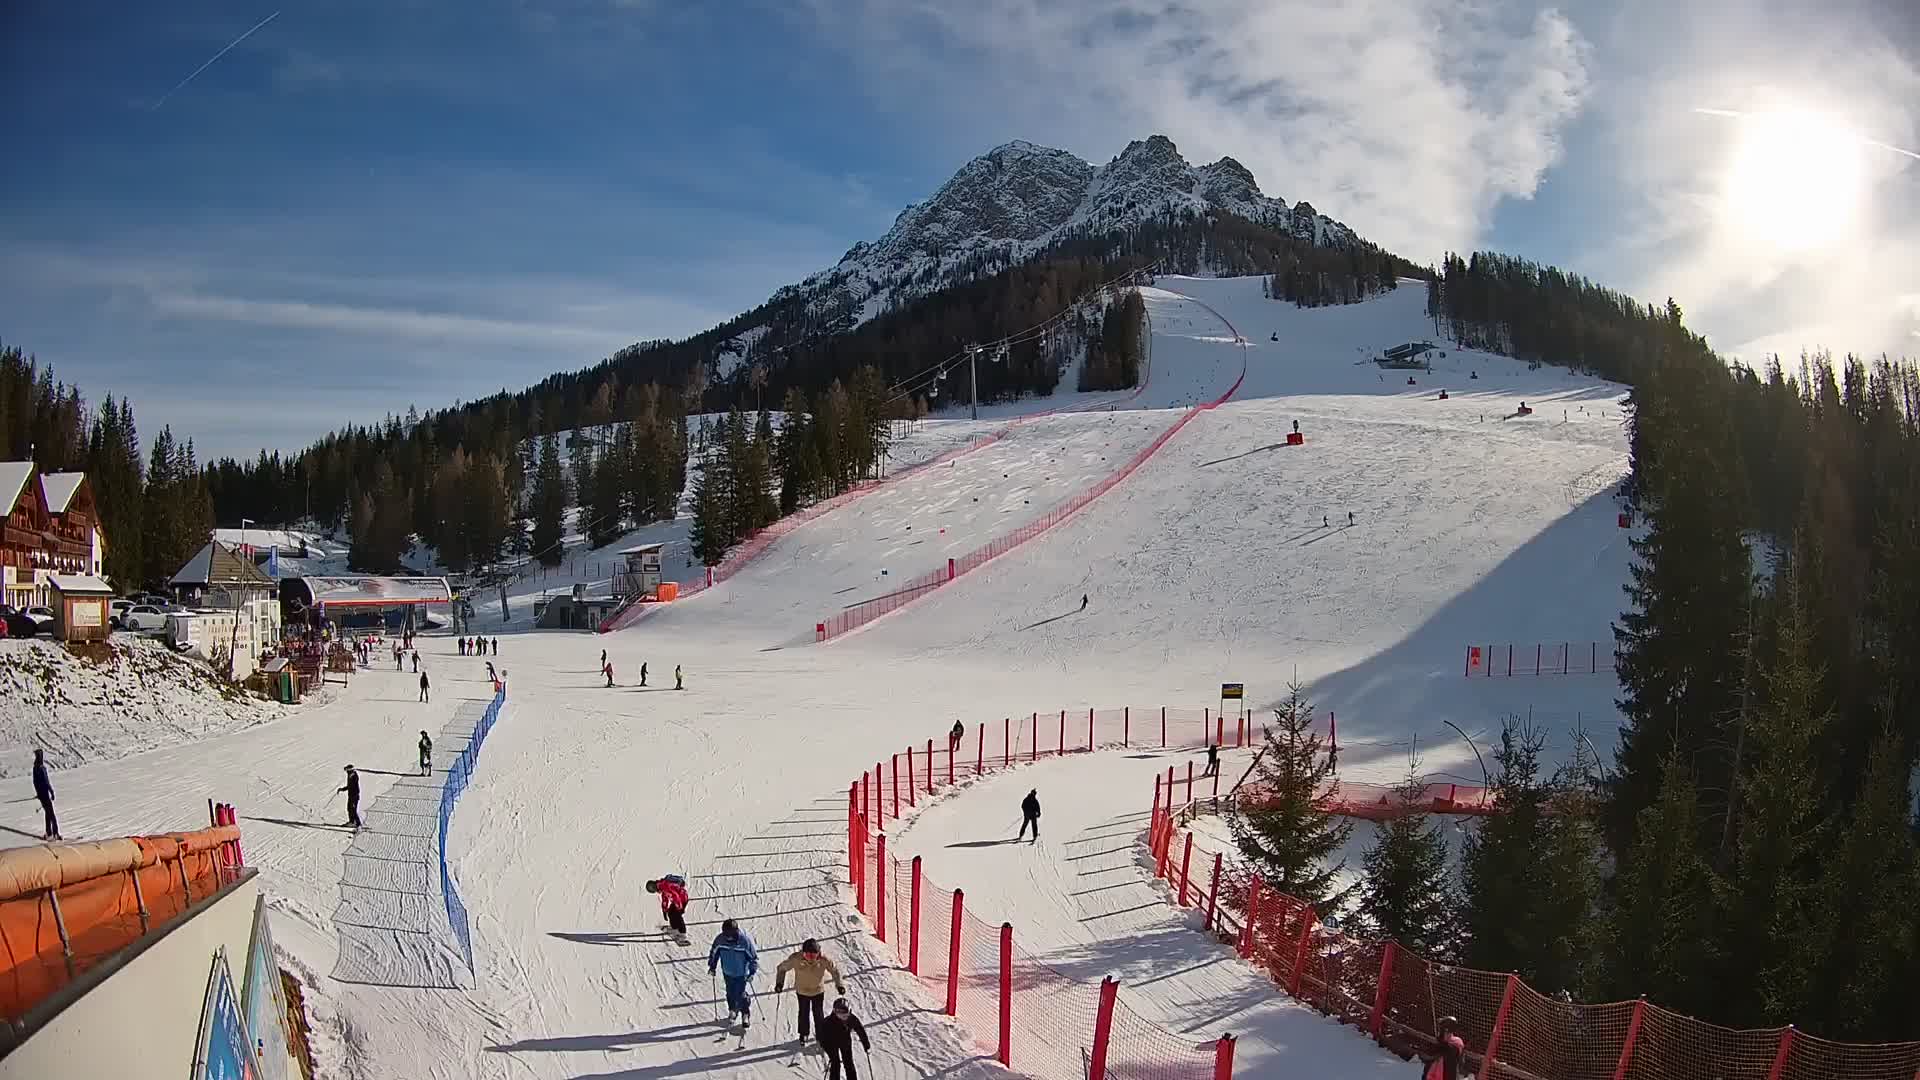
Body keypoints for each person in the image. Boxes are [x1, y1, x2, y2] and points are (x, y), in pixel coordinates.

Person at [774, 938, 845, 1047]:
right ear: (803, 953)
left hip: (817, 991)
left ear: (818, 953)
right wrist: (779, 983)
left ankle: (821, 1035)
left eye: (813, 956)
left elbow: (835, 971)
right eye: (808, 955)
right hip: (802, 991)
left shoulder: (824, 960)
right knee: (803, 1013)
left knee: (818, 1014)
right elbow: (781, 968)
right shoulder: (796, 958)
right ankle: (804, 1033)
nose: (810, 958)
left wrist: (839, 985)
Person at [708, 918, 759, 1027]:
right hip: (727, 972)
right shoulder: (720, 940)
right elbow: (714, 952)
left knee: (740, 994)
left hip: (741, 973)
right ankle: (732, 1010)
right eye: (726, 934)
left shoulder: (744, 941)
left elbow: (753, 958)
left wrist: (752, 972)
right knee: (730, 992)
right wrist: (712, 966)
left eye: (730, 935)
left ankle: (745, 1013)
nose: (728, 937)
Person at [816, 998, 870, 1080]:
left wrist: (866, 1044)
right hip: (830, 1043)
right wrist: (828, 1049)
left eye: (847, 1015)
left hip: (845, 1041)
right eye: (843, 1016)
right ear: (835, 1012)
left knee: (848, 1062)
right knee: (835, 1063)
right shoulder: (827, 1022)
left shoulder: (851, 1018)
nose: (845, 1017)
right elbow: (822, 1037)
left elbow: (860, 1030)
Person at [1424, 1015, 1466, 1080]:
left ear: (1446, 1030)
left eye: (1441, 1028)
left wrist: (1441, 1043)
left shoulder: (1456, 1043)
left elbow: (1451, 1053)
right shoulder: (1440, 1043)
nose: (1439, 1030)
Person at [31, 749, 59, 841]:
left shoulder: (35, 768)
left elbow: (35, 782)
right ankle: (55, 833)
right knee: (52, 814)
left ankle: (49, 833)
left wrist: (38, 793)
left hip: (41, 794)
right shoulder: (42, 768)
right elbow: (46, 781)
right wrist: (51, 791)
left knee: (47, 813)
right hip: (45, 794)